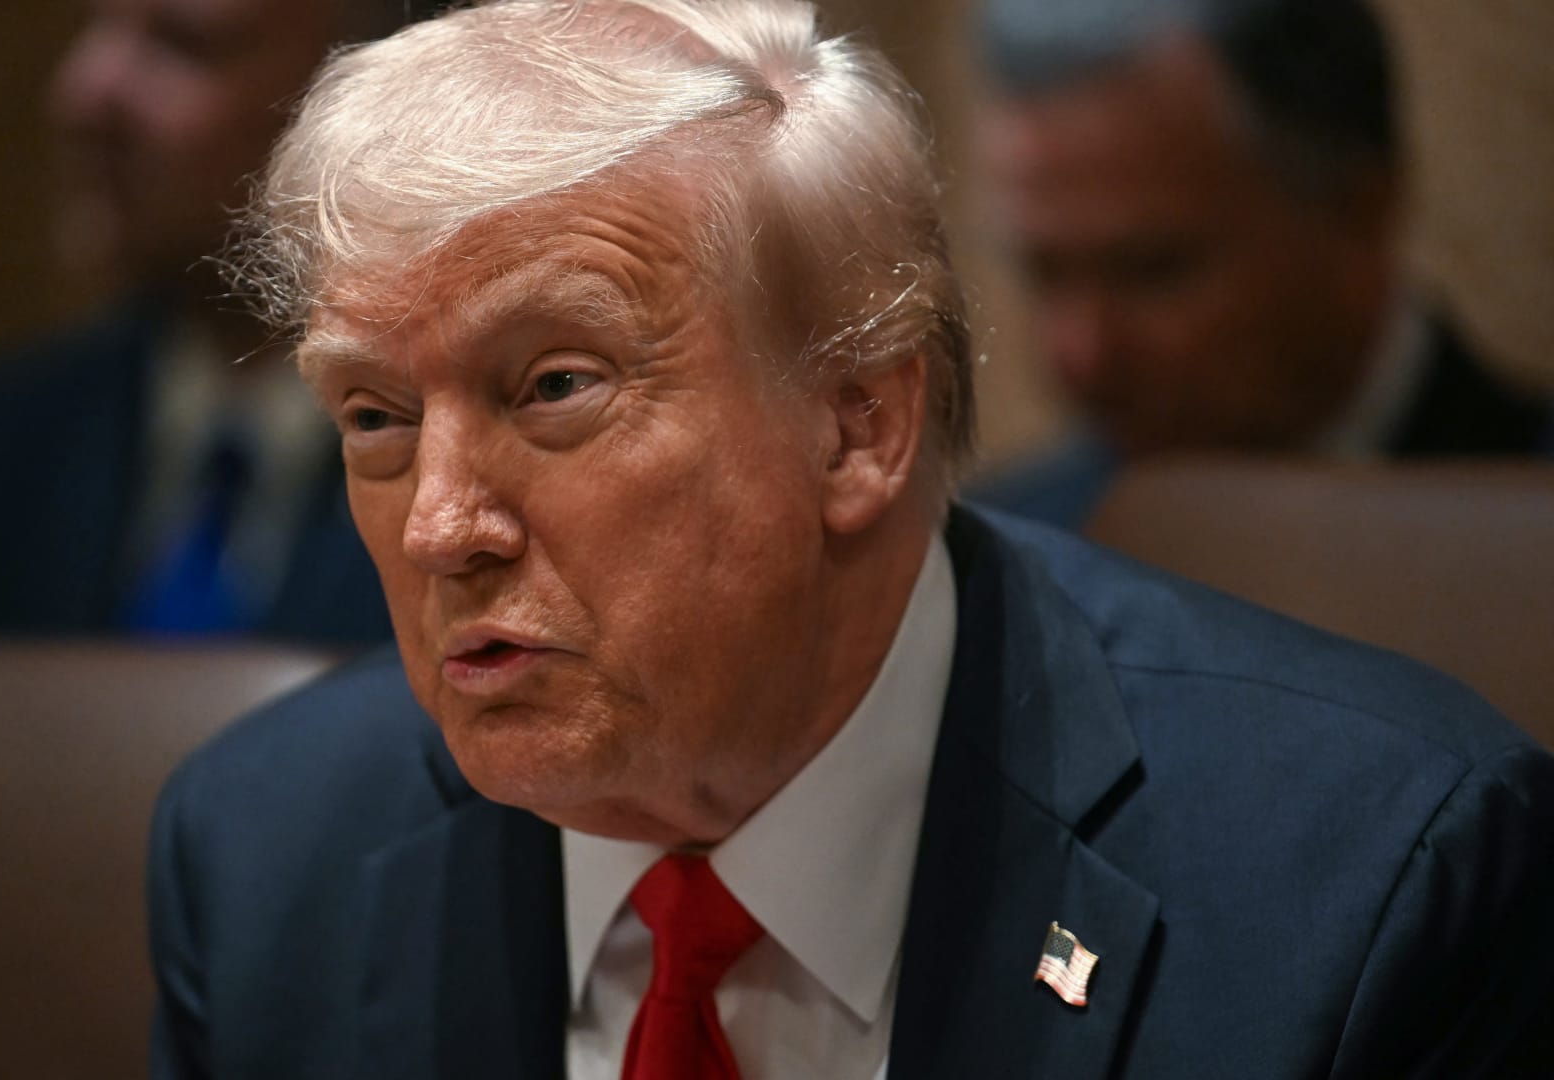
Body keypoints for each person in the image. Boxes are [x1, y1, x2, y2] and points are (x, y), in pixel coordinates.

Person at [145, 1, 1554, 1077]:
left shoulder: (1377, 886)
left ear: (859, 425)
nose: (445, 525)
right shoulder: (268, 862)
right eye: (377, 417)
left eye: (556, 387)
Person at [0, 0, 409, 642]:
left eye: (181, 45)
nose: (81, 91)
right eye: (95, 25)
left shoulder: (470, 470)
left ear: (358, 99)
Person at [966, 0, 1554, 528]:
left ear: (1358, 213)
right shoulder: (1003, 554)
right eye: (1045, 273)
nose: (1080, 357)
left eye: (1152, 270)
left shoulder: (1529, 526)